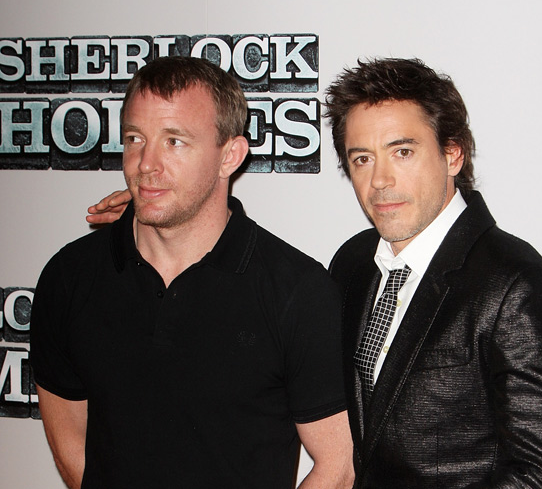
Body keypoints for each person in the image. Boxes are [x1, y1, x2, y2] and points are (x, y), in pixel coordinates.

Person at [30, 56, 353, 489]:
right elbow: (70, 443)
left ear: (229, 156)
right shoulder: (68, 277)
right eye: (135, 138)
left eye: (174, 141)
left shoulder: (296, 291)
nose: (146, 164)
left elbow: (338, 467)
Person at [324, 58, 542, 488]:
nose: (380, 180)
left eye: (402, 152)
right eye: (363, 159)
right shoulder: (352, 263)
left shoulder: (515, 283)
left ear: (453, 154)